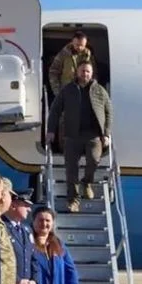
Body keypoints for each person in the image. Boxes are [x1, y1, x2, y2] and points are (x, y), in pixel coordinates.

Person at [45, 60, 113, 212]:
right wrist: (51, 131)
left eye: (88, 71)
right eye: (83, 71)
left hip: (93, 135)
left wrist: (106, 133)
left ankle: (87, 182)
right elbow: (55, 111)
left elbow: (109, 112)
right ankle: (73, 200)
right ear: (77, 72)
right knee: (71, 169)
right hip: (71, 135)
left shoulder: (99, 91)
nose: (85, 74)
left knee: (94, 160)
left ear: (92, 73)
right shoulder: (68, 90)